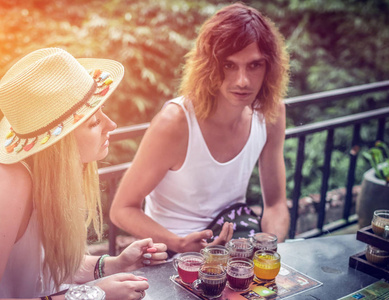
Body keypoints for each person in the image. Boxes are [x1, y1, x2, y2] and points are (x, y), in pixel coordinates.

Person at [0, 48, 167, 300]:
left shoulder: (45, 176)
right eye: (94, 122)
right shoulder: (8, 182)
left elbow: (41, 264)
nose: (111, 125)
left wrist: (114, 264)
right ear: (59, 143)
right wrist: (92, 296)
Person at [110, 3, 290, 255]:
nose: (242, 81)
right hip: (173, 254)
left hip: (235, 247)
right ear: (210, 66)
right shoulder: (175, 122)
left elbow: (276, 204)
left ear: (269, 67)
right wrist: (179, 244)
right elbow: (122, 210)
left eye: (254, 65)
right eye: (229, 65)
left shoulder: (271, 113)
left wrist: (269, 247)